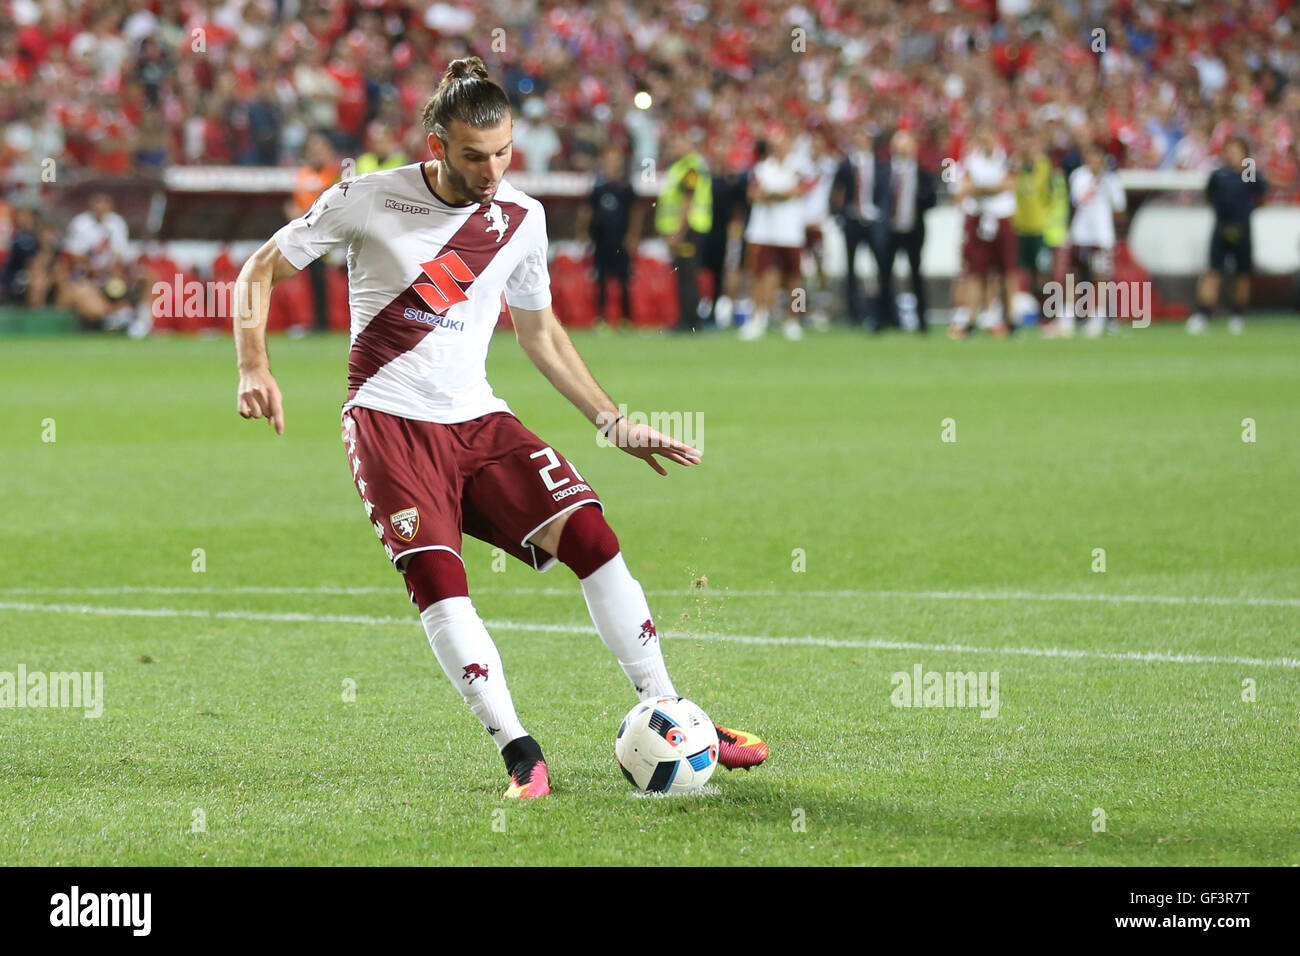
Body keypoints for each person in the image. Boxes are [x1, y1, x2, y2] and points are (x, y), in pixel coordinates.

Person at [232, 58, 768, 800]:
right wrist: (253, 365)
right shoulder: (366, 198)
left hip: (479, 419)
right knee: (440, 582)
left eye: (504, 153)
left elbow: (541, 336)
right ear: (437, 144)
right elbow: (257, 270)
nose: (492, 171)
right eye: (475, 155)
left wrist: (612, 422)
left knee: (592, 536)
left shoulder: (520, 217)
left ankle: (671, 712)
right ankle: (522, 753)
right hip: (390, 423)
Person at [1186, 136, 1268, 335]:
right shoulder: (1219, 175)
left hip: (1242, 229)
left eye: (1236, 150)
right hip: (1221, 228)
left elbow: (1261, 195)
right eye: (1229, 149)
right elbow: (1209, 198)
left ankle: (1237, 315)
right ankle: (1203, 313)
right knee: (1213, 271)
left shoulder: (1249, 174)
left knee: (1242, 273)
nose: (1232, 153)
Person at [741, 123, 813, 340]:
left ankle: (793, 319)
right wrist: (781, 194)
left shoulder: (799, 167)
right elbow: (754, 194)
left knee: (795, 278)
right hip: (763, 230)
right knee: (759, 275)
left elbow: (798, 191)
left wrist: (772, 195)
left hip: (790, 231)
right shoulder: (762, 168)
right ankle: (758, 317)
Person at [949, 124, 1018, 339]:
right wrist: (991, 188)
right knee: (974, 271)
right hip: (979, 219)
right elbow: (961, 190)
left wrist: (980, 189)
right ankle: (970, 318)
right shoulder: (970, 160)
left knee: (1007, 270)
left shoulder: (1005, 158)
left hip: (1002, 217)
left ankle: (1009, 319)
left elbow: (1010, 184)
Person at [1059, 142, 1127, 338]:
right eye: (1090, 156)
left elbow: (1119, 209)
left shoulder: (1112, 181)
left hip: (1101, 236)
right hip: (1080, 233)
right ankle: (1068, 316)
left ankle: (1096, 318)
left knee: (1100, 278)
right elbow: (1079, 200)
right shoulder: (1078, 177)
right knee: (1073, 276)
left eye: (1096, 156)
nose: (1093, 160)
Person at [574, 143, 643, 328]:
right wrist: (582, 232)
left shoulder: (626, 186)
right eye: (609, 159)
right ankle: (602, 318)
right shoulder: (598, 186)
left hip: (621, 240)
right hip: (601, 240)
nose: (612, 163)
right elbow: (587, 210)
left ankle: (625, 319)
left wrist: (633, 236)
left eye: (615, 159)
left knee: (624, 280)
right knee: (601, 280)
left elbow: (637, 211)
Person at [830, 125, 891, 330]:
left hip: (873, 222)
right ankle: (853, 315)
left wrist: (881, 216)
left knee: (882, 268)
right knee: (851, 270)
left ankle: (883, 314)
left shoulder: (881, 164)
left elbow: (885, 193)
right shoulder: (846, 165)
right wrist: (839, 217)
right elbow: (836, 194)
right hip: (852, 221)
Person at [654, 132, 713, 333]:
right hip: (683, 229)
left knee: (688, 274)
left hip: (689, 229)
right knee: (682, 274)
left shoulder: (691, 167)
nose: (673, 148)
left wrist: (679, 232)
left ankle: (691, 321)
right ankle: (685, 319)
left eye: (678, 142)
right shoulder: (680, 167)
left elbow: (688, 201)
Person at [884, 129, 936, 332]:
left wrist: (919, 199)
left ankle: (922, 320)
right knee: (885, 274)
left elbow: (932, 199)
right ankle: (885, 319)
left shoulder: (922, 172)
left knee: (916, 273)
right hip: (890, 230)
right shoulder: (886, 171)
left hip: (913, 229)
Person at [292, 133, 341, 333]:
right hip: (309, 235)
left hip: (332, 234)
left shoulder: (335, 174)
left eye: (320, 149)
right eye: (313, 150)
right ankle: (320, 322)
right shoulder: (303, 175)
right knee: (315, 279)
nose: (316, 154)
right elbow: (297, 201)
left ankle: (335, 320)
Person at [1012, 130, 1053, 327]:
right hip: (1018, 227)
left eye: (1031, 145)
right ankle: (1014, 314)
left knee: (1041, 273)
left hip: (1038, 228)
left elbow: (1048, 196)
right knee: (1016, 272)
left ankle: (1046, 315)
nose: (1028, 150)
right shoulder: (1014, 168)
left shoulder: (1043, 167)